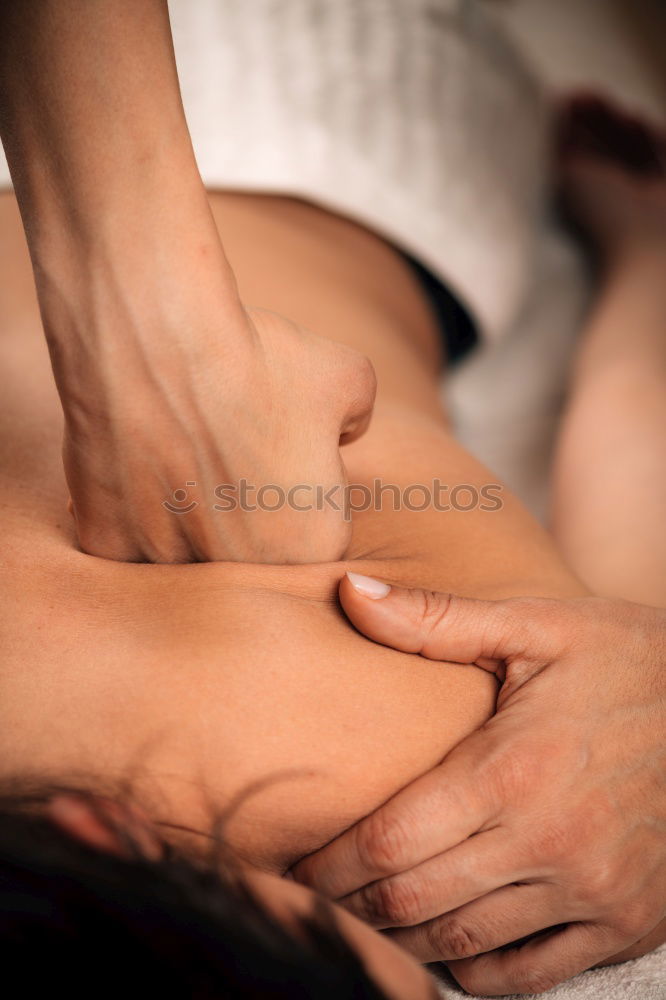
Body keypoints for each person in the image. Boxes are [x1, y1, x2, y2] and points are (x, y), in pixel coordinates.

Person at [0, 2, 664, 996]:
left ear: (103, 832)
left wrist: (647, 264)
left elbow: (628, 599)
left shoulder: (410, 767)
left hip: (302, 97)